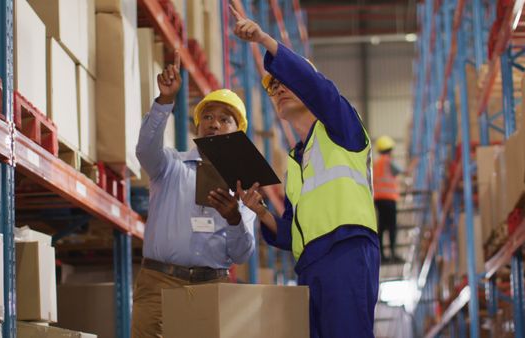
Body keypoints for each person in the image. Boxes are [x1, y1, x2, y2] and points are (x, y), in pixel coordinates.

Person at [230, 6, 380, 338]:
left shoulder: (342, 129)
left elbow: (319, 88)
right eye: (274, 87)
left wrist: (265, 40)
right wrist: (262, 213)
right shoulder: (295, 163)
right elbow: (289, 234)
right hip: (310, 264)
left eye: (286, 83)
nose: (278, 89)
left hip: (347, 251)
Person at [132, 51, 257, 338]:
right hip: (158, 285)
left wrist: (234, 218)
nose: (214, 124)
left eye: (225, 119)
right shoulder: (169, 167)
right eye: (208, 117)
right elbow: (144, 150)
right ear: (198, 126)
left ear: (239, 132)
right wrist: (165, 101)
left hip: (212, 288)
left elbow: (241, 255)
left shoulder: (243, 189)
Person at [373, 135, 403, 263]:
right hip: (389, 199)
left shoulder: (376, 163)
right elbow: (402, 171)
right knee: (392, 227)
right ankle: (392, 254)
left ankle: (382, 255)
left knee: (382, 227)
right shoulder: (388, 162)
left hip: (378, 199)